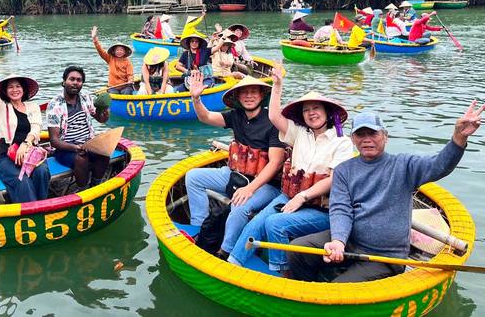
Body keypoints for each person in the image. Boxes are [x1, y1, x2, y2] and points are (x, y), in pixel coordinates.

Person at [289, 102, 483, 283]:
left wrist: (459, 138)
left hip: (385, 256)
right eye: (360, 134)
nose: (367, 140)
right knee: (297, 250)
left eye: (372, 134)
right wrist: (338, 241)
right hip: (350, 242)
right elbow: (341, 209)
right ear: (353, 139)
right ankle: (308, 289)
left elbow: (439, 166)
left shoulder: (404, 165)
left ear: (385, 136)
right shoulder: (343, 171)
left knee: (340, 288)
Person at [227, 65, 354, 275]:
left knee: (274, 223)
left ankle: (280, 273)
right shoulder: (300, 134)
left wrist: (302, 197)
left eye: (316, 109)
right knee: (256, 223)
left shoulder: (342, 142)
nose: (311, 113)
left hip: (322, 208)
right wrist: (277, 85)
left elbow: (333, 179)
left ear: (327, 112)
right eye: (306, 110)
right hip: (290, 196)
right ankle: (232, 263)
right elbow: (275, 117)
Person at [186, 71, 286, 259]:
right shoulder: (236, 116)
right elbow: (206, 117)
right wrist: (196, 98)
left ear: (262, 95)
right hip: (235, 174)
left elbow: (275, 163)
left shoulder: (273, 122)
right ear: (238, 97)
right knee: (193, 177)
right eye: (244, 92)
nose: (249, 96)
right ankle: (200, 230)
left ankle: (225, 251)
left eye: (254, 92)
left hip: (264, 184)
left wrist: (250, 189)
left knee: (239, 207)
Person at [0, 51, 51, 203]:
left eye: (18, 86)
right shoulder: (1, 108)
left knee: (42, 172)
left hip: (31, 151)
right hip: (8, 154)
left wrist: (25, 144)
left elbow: (36, 128)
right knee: (22, 181)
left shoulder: (32, 106)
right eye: (11, 87)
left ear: (23, 89)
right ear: (6, 92)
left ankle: (42, 204)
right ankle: (31, 211)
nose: (15, 90)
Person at [47, 66, 110, 191]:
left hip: (88, 143)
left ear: (82, 83)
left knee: (104, 153)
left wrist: (104, 115)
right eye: (72, 79)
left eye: (79, 80)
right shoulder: (55, 104)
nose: (75, 82)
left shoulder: (86, 98)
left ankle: (96, 185)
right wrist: (75, 148)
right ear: (64, 82)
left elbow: (99, 119)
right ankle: (83, 189)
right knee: (81, 158)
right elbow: (54, 140)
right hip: (65, 148)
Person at [91, 26, 134, 94]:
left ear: (124, 52)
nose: (119, 52)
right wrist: (95, 39)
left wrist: (130, 80)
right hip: (112, 87)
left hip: (125, 86)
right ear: (114, 51)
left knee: (127, 92)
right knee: (112, 94)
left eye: (121, 50)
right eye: (117, 50)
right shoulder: (110, 58)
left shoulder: (128, 62)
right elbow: (101, 51)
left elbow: (130, 74)